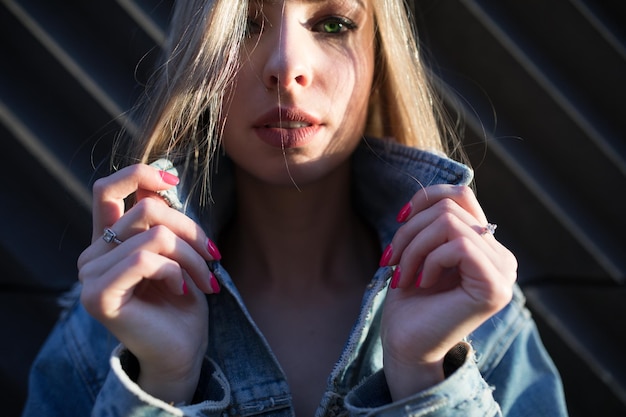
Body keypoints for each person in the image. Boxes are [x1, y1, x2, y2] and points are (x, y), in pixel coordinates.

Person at [22, 0, 568, 416]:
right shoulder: (109, 328)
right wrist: (162, 382)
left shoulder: (477, 317)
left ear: (380, 56)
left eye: (333, 23)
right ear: (199, 55)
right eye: (245, 23)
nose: (286, 66)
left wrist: (426, 377)